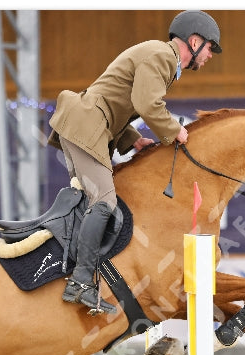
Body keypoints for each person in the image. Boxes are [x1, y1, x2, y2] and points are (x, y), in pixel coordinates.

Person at [48, 10, 222, 315]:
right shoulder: (162, 57)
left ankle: (73, 271)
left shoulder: (159, 57)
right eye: (210, 48)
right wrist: (174, 130)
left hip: (89, 124)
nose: (210, 56)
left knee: (95, 201)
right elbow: (147, 105)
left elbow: (115, 99)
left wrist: (134, 140)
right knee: (104, 201)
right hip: (86, 126)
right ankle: (80, 281)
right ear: (194, 41)